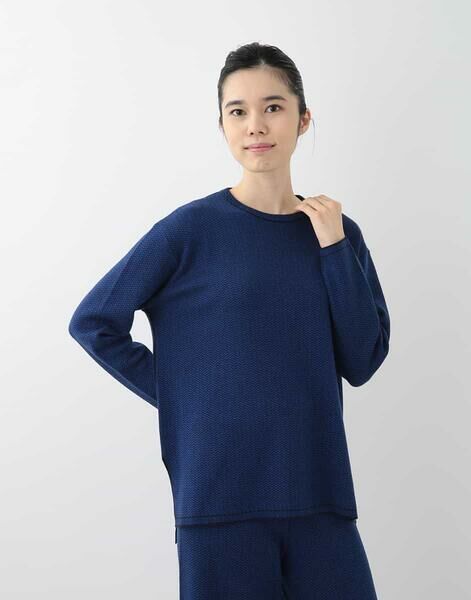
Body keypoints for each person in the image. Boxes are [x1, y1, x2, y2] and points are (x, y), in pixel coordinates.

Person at [68, 41, 390, 599]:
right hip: (220, 500)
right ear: (222, 126)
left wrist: (335, 249)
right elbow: (94, 322)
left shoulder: (338, 233)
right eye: (237, 111)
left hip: (321, 495)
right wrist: (185, 395)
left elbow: (362, 361)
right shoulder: (188, 231)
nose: (255, 124)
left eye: (273, 107)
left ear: (303, 118)